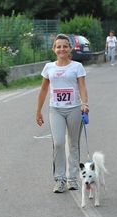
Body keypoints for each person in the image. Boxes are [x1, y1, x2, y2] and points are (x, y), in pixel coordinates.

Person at [35, 33, 89, 193]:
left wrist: (84, 104)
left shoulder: (77, 66)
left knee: (73, 144)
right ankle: (60, 179)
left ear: (70, 48)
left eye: (65, 46)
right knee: (58, 143)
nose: (62, 49)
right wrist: (38, 111)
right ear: (54, 49)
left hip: (74, 108)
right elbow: (44, 89)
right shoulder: (49, 67)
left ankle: (72, 179)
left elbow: (82, 87)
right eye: (58, 46)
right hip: (56, 109)